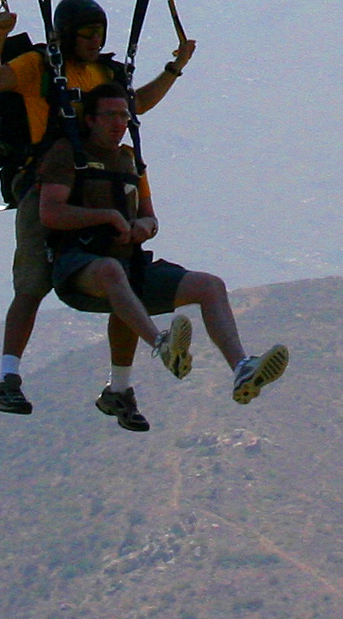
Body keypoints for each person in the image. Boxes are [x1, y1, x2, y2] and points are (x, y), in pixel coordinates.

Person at [0, 0, 185, 414]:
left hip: (101, 185)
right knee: (32, 284)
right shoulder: (41, 66)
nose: (94, 40)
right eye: (86, 34)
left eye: (100, 34)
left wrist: (174, 68)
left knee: (121, 278)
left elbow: (135, 104)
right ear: (68, 34)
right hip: (47, 185)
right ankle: (7, 378)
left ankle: (119, 389)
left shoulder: (106, 72)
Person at [37, 83, 287, 430]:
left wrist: (143, 226)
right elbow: (50, 213)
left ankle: (242, 368)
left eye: (124, 115)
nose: (119, 122)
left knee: (210, 286)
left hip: (129, 266)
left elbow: (151, 217)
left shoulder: (130, 161)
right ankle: (161, 344)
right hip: (78, 267)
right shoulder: (67, 155)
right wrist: (105, 217)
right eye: (110, 115)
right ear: (90, 119)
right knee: (111, 271)